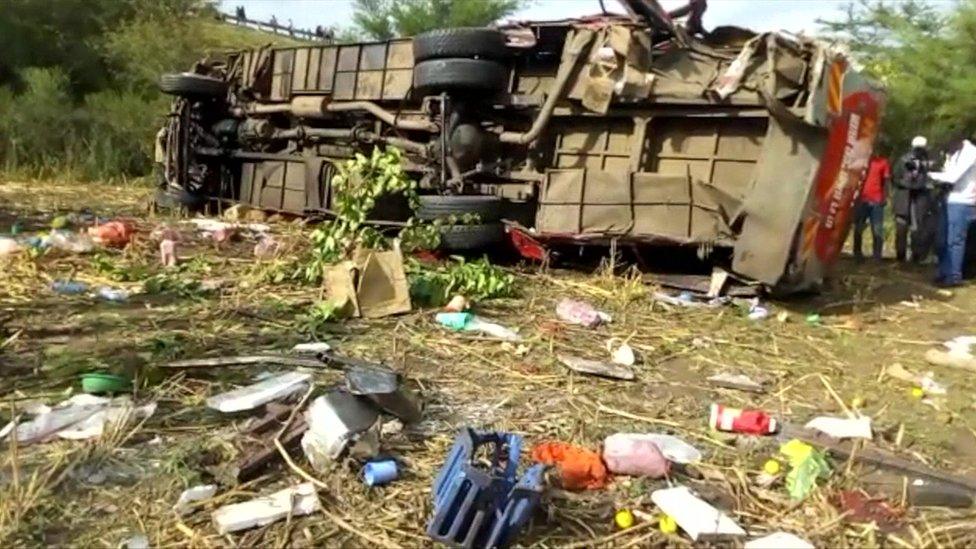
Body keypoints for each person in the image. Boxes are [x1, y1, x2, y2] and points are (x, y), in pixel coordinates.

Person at [931, 133, 976, 286]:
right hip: (948, 199)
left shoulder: (971, 153)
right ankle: (943, 271)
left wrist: (929, 175)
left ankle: (953, 276)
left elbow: (952, 177)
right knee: (942, 239)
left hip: (962, 201)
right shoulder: (953, 153)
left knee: (955, 240)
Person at [893, 136, 936, 263]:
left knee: (917, 230)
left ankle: (916, 256)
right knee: (901, 229)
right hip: (903, 199)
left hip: (920, 200)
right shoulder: (903, 160)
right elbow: (895, 178)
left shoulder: (928, 162)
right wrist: (909, 183)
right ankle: (900, 256)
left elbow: (932, 179)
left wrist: (922, 179)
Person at [853, 154, 891, 260]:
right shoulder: (860, 161)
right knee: (859, 227)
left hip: (876, 199)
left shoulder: (882, 162)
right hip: (862, 199)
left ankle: (877, 255)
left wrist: (885, 196)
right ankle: (857, 253)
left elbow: (886, 180)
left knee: (877, 228)